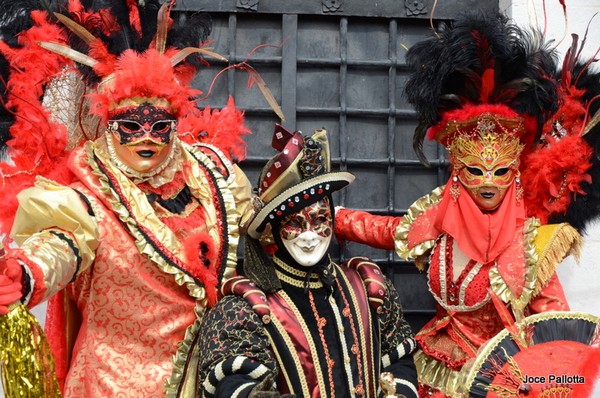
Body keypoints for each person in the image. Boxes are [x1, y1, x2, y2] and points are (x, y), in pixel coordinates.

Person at [0, 1, 254, 396]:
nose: (146, 136)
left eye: (159, 125)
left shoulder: (214, 177)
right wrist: (26, 273)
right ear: (108, 124)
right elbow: (63, 247)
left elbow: (271, 223)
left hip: (209, 381)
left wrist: (358, 223)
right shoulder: (89, 197)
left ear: (175, 122)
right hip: (112, 385)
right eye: (130, 125)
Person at [333, 13, 585, 397]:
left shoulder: (532, 246)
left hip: (500, 383)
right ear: (456, 169)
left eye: (499, 170)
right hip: (435, 372)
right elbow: (383, 230)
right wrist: (329, 218)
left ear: (515, 172)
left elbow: (557, 333)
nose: (487, 181)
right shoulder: (436, 220)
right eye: (475, 169)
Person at [196, 125, 419, 397]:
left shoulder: (369, 288)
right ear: (273, 229)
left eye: (320, 220)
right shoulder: (245, 307)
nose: (310, 236)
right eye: (295, 224)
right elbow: (231, 380)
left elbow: (399, 360)